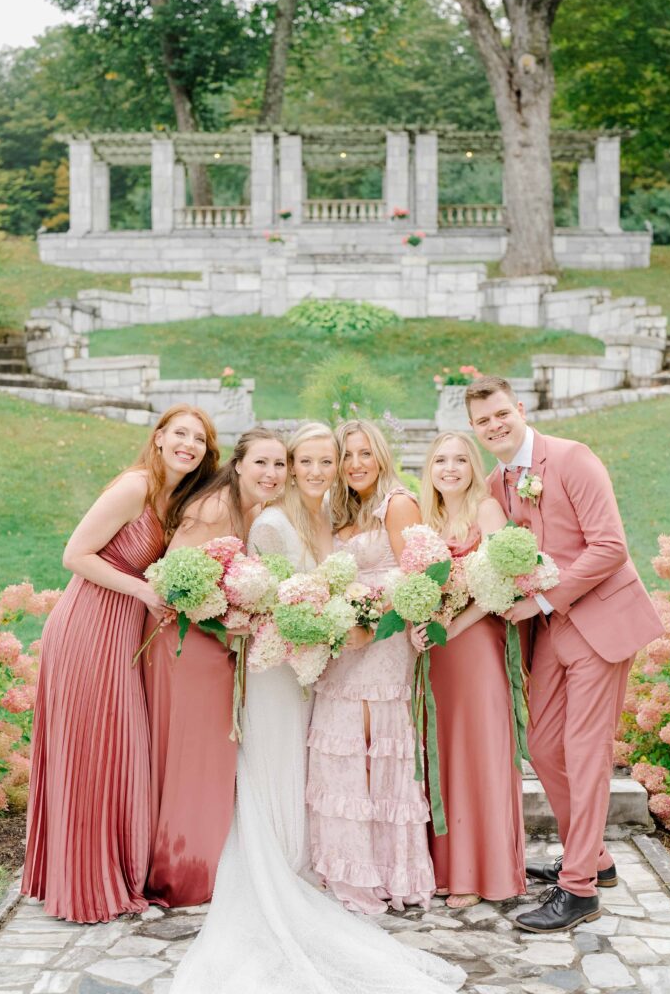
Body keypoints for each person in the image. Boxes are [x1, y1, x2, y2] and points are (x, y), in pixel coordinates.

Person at [171, 421, 466, 994]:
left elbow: (418, 578)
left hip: (332, 657)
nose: (318, 470)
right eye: (304, 461)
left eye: (327, 460)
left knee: (324, 757)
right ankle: (285, 861)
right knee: (294, 757)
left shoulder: (341, 512)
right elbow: (267, 597)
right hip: (287, 662)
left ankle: (348, 864)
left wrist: (386, 622)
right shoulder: (281, 521)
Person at [466, 375, 664, 933]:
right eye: (483, 421)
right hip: (549, 631)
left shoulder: (573, 459)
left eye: (501, 413)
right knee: (544, 745)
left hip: (597, 622)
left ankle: (578, 891)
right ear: (475, 430)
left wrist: (546, 599)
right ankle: (594, 859)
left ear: (520, 408)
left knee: (585, 751)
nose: (495, 426)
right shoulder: (496, 481)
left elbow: (611, 546)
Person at [22, 405, 219, 922]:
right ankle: (86, 885)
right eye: (180, 433)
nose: (189, 444)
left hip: (122, 634)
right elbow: (74, 554)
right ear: (158, 439)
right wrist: (143, 588)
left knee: (115, 750)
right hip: (87, 629)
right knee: (94, 750)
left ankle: (97, 871)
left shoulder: (176, 500)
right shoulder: (135, 486)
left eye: (199, 439)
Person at [142, 426, 288, 908]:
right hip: (183, 643)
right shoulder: (214, 509)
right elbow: (173, 582)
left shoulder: (256, 511)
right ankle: (180, 875)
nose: (271, 473)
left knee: (211, 755)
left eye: (279, 464)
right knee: (193, 755)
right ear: (239, 464)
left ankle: (199, 862)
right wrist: (227, 622)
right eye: (261, 462)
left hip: (213, 643)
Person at [307, 419, 437, 915]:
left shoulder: (397, 504)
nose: (356, 463)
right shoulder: (341, 508)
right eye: (347, 456)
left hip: (383, 641)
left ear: (380, 455)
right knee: (340, 743)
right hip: (345, 640)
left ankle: (388, 870)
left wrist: (371, 623)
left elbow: (415, 582)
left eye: (364, 453)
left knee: (376, 745)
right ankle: (345, 865)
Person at [411, 431, 526, 908]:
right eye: (441, 460)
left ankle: (484, 875)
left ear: (473, 467)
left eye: (460, 459)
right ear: (430, 469)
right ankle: (446, 867)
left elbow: (503, 581)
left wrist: (453, 626)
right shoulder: (425, 519)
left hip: (475, 644)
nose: (450, 468)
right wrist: (418, 625)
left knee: (478, 751)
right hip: (436, 653)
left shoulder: (486, 511)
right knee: (442, 751)